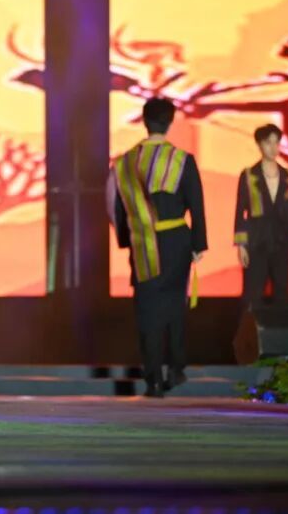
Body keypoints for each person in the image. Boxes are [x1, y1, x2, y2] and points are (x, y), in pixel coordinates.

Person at [109, 97, 207, 398]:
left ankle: (152, 379)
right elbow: (197, 205)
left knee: (147, 309)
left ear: (144, 121)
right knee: (174, 304)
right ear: (170, 121)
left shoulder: (125, 163)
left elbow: (118, 208)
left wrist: (126, 240)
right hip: (177, 239)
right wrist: (199, 244)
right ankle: (175, 368)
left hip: (143, 243)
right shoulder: (182, 160)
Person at [234, 124, 288, 309]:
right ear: (259, 144)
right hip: (257, 242)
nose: (273, 148)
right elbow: (240, 211)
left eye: (276, 142)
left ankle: (281, 328)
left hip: (282, 241)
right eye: (268, 143)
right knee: (252, 294)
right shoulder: (249, 175)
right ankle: (250, 328)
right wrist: (241, 245)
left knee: (282, 293)